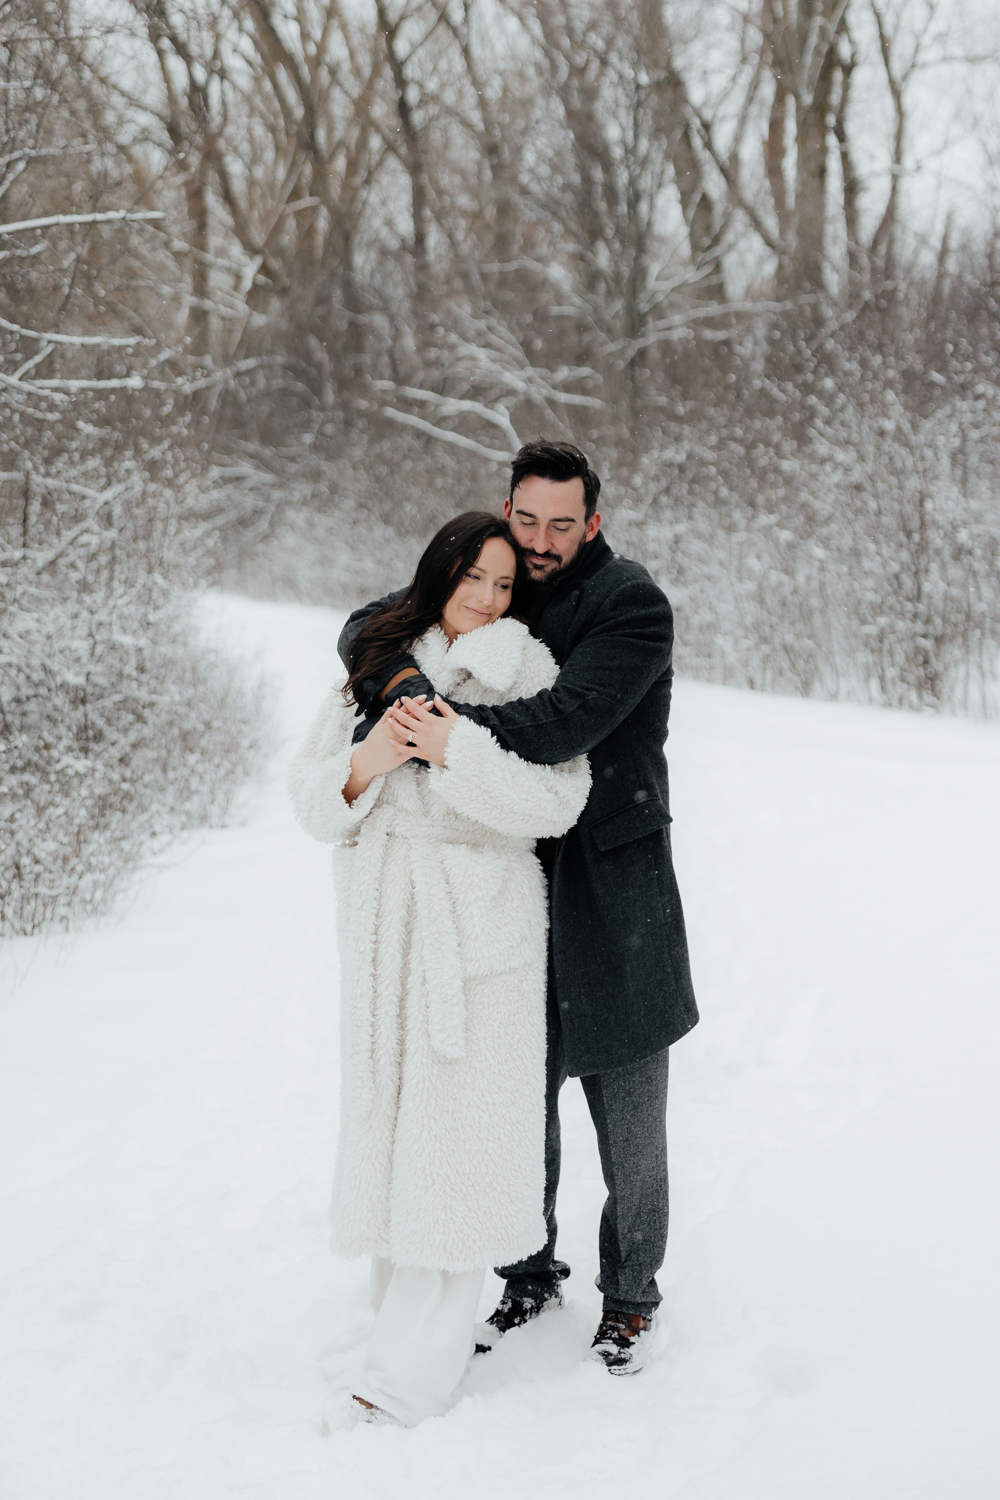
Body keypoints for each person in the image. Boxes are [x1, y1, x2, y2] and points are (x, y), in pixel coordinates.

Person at [340, 439, 698, 1376]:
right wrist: (411, 688)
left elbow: (565, 722)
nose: (538, 542)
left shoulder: (631, 606)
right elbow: (371, 624)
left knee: (628, 1108)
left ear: (596, 520)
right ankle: (527, 1267)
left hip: (614, 887)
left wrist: (431, 732)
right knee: (514, 1094)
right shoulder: (501, 578)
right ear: (509, 507)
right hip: (515, 875)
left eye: (560, 523)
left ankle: (631, 1296)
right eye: (526, 518)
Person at [288, 511, 591, 1426]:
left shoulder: (527, 671)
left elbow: (559, 797)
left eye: (504, 584)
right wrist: (371, 758)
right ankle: (400, 1332)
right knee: (391, 1125)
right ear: (441, 571)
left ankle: (402, 1383)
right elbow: (307, 795)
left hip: (478, 926)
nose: (488, 596)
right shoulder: (378, 660)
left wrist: (454, 749)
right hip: (387, 920)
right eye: (473, 576)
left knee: (455, 1145)